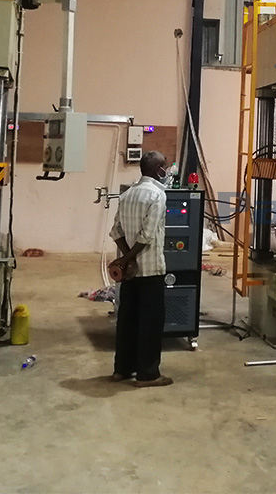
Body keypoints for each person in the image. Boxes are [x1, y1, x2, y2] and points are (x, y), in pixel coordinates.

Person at [109, 151, 172, 387]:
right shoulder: (157, 195)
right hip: (150, 270)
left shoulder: (128, 194)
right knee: (150, 323)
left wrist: (125, 260)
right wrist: (131, 259)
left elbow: (116, 231)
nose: (166, 170)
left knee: (127, 320)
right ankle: (148, 374)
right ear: (158, 170)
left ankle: (122, 369)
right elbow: (147, 235)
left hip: (129, 274)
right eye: (165, 166)